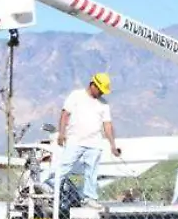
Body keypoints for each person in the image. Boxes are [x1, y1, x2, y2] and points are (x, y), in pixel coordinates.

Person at [44, 73, 121, 206]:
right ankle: (48, 189)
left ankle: (90, 198)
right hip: (75, 140)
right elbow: (65, 114)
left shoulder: (104, 104)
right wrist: (62, 133)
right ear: (93, 85)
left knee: (91, 171)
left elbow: (107, 125)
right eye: (100, 90)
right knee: (64, 167)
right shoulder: (76, 96)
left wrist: (112, 145)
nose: (101, 93)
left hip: (94, 142)